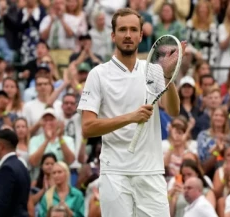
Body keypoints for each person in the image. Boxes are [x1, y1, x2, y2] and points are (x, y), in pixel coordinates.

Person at [77, 8, 184, 217]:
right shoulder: (98, 74)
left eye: (133, 30)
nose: (128, 35)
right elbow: (87, 128)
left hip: (151, 172)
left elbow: (173, 110)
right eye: (123, 29)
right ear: (113, 35)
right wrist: (130, 118)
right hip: (114, 172)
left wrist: (168, 77)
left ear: (141, 35)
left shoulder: (154, 70)